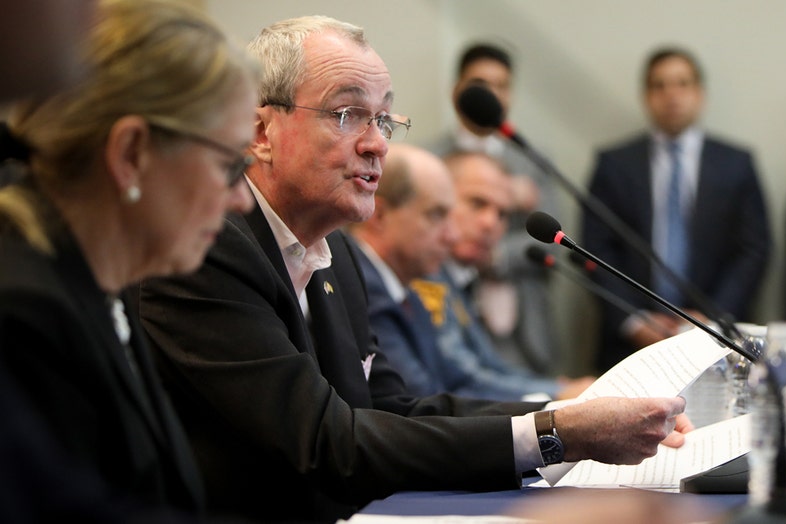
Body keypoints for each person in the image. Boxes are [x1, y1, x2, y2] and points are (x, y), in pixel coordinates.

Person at [137, 16, 691, 523]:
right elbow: (327, 443)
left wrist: (571, 412)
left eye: (383, 118)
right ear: (262, 133)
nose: (378, 144)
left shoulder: (339, 255)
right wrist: (556, 434)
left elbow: (396, 409)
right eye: (347, 114)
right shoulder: (209, 250)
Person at [0, 0, 258, 515]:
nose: (243, 201)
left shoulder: (103, 288)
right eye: (230, 165)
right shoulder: (25, 314)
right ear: (131, 154)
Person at [582, 46, 771, 371]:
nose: (671, 95)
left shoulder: (736, 164)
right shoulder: (614, 164)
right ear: (646, 96)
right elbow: (594, 248)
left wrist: (712, 317)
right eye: (660, 85)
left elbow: (753, 250)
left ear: (700, 94)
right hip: (629, 348)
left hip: (716, 343)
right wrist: (635, 321)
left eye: (682, 84)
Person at [350, 144, 590, 400]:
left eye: (502, 214)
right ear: (381, 214)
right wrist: (553, 396)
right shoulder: (376, 282)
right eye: (477, 203)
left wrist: (552, 392)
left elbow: (483, 365)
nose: (490, 224)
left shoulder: (414, 276)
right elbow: (430, 394)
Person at [429, 43, 560, 376]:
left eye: (502, 86)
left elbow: (553, 239)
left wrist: (494, 255)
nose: (494, 95)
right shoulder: (428, 160)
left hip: (523, 325)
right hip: (447, 314)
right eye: (481, 85)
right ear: (458, 90)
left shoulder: (531, 159)